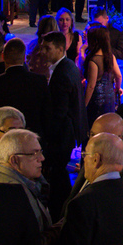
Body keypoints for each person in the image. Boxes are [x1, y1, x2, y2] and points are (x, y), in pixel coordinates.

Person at [61, 113, 123, 221]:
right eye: (92, 135)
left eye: (99, 137)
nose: (92, 142)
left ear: (118, 138)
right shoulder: (90, 160)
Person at [42, 31, 83, 217]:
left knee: (57, 175)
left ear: (60, 49)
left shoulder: (62, 74)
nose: (43, 52)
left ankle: (62, 212)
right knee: (60, 175)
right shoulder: (69, 67)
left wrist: (48, 136)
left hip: (62, 135)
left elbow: (60, 112)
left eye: (47, 48)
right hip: (70, 132)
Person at [0, 128, 53, 233]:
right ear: (14, 160)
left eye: (40, 152)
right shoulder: (17, 194)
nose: (42, 158)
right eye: (34, 154)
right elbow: (33, 243)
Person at [0, 38, 48, 133]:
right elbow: (46, 114)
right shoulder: (40, 81)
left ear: (3, 56)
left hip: (5, 137)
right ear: (24, 58)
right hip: (33, 136)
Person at [83, 25, 121, 121]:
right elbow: (119, 76)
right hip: (110, 97)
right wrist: (116, 89)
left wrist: (83, 106)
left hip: (97, 100)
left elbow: (91, 86)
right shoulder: (110, 56)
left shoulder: (94, 60)